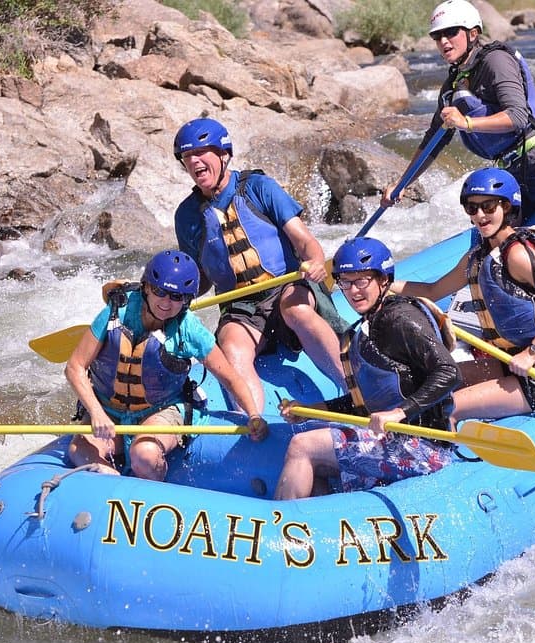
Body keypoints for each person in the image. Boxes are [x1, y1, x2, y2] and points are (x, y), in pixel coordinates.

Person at [172, 117, 346, 413]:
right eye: (188, 156)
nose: (194, 162)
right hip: (240, 307)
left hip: (285, 289)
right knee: (231, 345)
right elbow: (201, 280)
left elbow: (304, 240)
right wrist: (172, 295)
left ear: (223, 155)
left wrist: (315, 261)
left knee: (297, 309)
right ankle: (254, 420)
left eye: (202, 153)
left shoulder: (258, 188)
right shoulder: (187, 216)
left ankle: (353, 391)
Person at [382, 0, 535, 245]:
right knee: (503, 247)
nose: (444, 42)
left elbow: (517, 116)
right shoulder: (452, 86)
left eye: (450, 33)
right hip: (512, 172)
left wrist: (466, 122)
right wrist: (402, 183)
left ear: (473, 33)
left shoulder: (496, 61)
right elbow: (432, 143)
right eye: (437, 36)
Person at [274, 237, 461, 499]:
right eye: (346, 282)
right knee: (312, 453)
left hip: (424, 448)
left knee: (301, 447)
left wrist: (399, 412)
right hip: (391, 439)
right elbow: (364, 403)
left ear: (383, 280)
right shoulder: (363, 330)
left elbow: (449, 372)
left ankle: (282, 524)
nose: (353, 291)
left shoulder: (402, 319)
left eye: (362, 281)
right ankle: (312, 526)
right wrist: (309, 411)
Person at [391, 168, 535, 420]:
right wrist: (384, 282)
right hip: (506, 362)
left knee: (445, 406)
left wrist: (531, 352)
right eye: (472, 208)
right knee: (426, 383)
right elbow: (432, 291)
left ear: (507, 207)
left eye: (488, 206)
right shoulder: (477, 257)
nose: (480, 215)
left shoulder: (518, 255)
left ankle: (441, 458)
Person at [64, 250, 268, 481]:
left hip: (162, 409)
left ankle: (156, 485)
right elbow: (75, 367)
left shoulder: (189, 329)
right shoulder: (116, 312)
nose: (166, 302)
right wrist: (96, 412)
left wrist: (253, 414)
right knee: (78, 450)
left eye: (176, 297)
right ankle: (112, 482)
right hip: (108, 409)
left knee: (145, 455)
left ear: (187, 300)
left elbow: (230, 378)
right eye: (160, 291)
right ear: (146, 287)